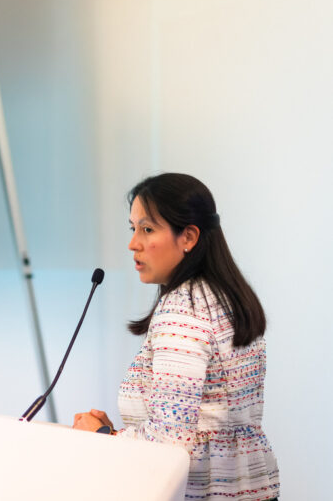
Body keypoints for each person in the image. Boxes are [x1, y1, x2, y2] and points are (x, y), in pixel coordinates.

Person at [72, 173, 280, 501]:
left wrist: (103, 436)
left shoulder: (184, 309)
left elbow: (169, 445)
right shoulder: (225, 298)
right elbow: (204, 425)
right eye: (133, 228)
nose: (133, 243)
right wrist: (124, 434)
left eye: (148, 229)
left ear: (189, 237)